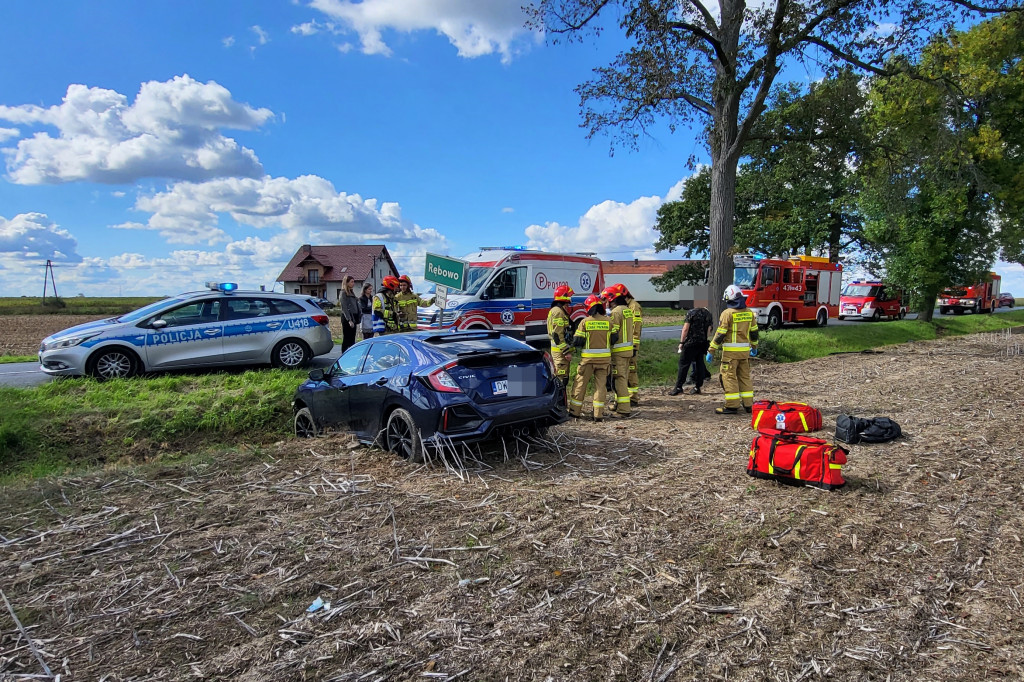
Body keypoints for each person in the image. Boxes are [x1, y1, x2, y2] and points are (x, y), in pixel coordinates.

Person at [707, 284, 759, 415]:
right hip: (744, 353)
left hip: (730, 354)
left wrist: (711, 350)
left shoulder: (727, 313)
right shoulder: (749, 313)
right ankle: (749, 405)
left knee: (729, 377)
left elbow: (720, 334)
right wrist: (754, 346)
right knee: (744, 377)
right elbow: (754, 332)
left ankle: (732, 406)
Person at [568, 295, 613, 421]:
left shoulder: (585, 322)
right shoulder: (608, 321)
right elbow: (614, 339)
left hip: (588, 361)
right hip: (604, 361)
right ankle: (598, 415)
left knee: (580, 385)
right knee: (600, 387)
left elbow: (577, 341)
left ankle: (574, 412)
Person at [602, 284, 634, 418]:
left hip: (618, 352)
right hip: (628, 351)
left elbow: (613, 334)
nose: (606, 303)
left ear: (612, 299)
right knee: (623, 377)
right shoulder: (627, 310)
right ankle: (618, 403)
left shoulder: (615, 312)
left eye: (606, 300)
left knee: (619, 379)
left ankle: (623, 410)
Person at [670, 304, 713, 395]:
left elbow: (685, 329)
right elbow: (709, 330)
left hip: (691, 342)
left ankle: (678, 386)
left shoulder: (691, 313)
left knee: (684, 364)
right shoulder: (708, 314)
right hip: (702, 342)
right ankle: (698, 386)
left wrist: (681, 342)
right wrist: (705, 340)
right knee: (699, 363)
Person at [547, 284, 575, 385]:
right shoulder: (559, 312)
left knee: (563, 378)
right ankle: (560, 400)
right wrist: (566, 351)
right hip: (560, 352)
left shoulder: (556, 310)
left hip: (559, 351)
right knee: (561, 380)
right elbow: (557, 335)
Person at [625, 287, 643, 405]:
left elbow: (636, 328)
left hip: (632, 346)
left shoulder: (634, 306)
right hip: (627, 346)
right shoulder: (628, 306)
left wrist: (634, 347)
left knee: (631, 370)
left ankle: (633, 398)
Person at [338, 275, 361, 351]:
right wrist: (349, 320)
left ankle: (351, 354)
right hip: (347, 317)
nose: (353, 283)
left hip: (354, 317)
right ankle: (344, 355)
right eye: (351, 282)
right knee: (346, 338)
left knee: (352, 339)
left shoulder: (351, 292)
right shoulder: (343, 293)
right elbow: (344, 308)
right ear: (346, 283)